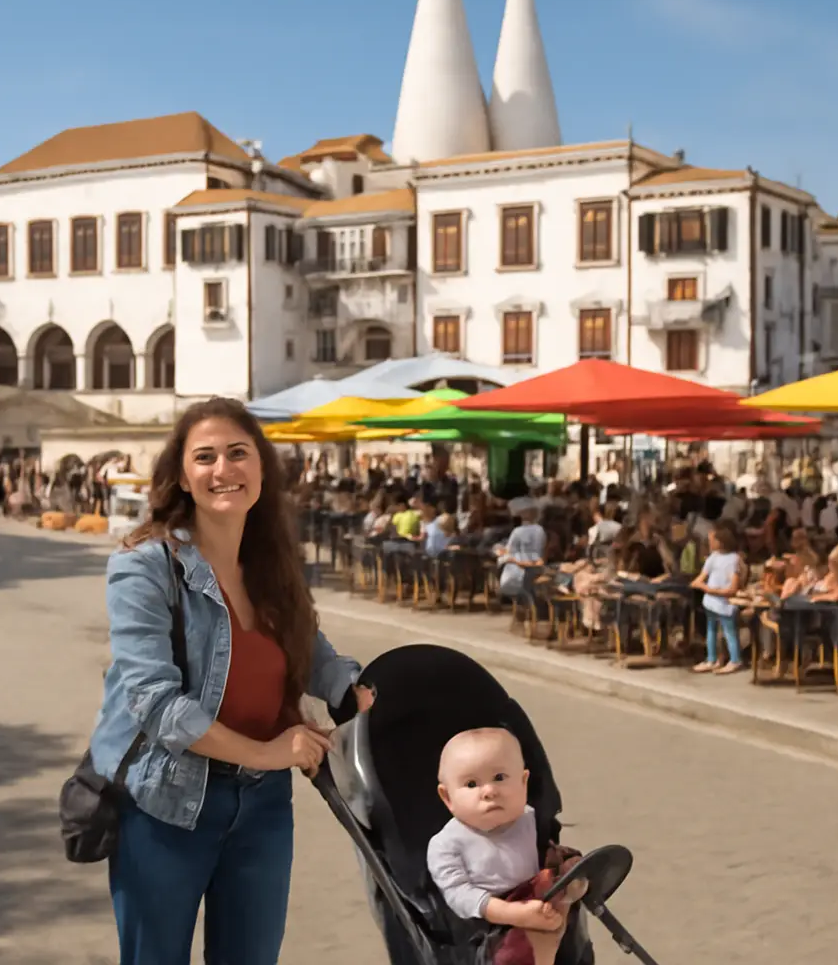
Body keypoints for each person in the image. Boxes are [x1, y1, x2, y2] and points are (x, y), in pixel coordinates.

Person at [87, 397, 374, 965]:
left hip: (263, 809)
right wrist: (270, 752)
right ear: (183, 477)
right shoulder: (145, 565)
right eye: (206, 457)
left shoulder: (272, 564)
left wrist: (356, 693)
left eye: (239, 453)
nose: (224, 469)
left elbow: (311, 650)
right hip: (166, 803)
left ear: (262, 469)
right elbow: (156, 705)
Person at [427, 728, 586, 965]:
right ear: (447, 797)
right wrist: (512, 913)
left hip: (538, 897)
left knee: (556, 875)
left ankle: (565, 896)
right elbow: (459, 895)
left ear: (523, 783)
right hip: (490, 925)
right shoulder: (446, 845)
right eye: (471, 784)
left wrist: (561, 862)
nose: (489, 791)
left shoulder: (531, 820)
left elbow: (546, 853)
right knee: (519, 942)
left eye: (499, 778)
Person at [690, 524, 745, 674]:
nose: (709, 543)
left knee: (729, 632)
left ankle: (735, 659)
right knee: (711, 630)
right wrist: (701, 585)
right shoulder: (712, 558)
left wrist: (708, 589)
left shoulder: (734, 559)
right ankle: (711, 658)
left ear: (721, 541)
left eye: (712, 540)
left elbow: (733, 587)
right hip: (712, 602)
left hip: (725, 602)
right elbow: (700, 578)